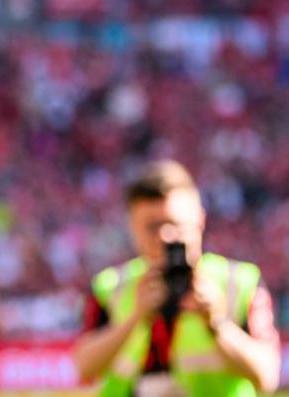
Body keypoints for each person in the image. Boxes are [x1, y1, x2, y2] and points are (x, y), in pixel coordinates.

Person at [73, 160, 280, 396]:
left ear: (200, 220)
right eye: (153, 227)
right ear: (132, 227)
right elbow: (83, 367)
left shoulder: (238, 283)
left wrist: (217, 324)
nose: (165, 236)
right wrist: (136, 318)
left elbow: (267, 376)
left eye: (175, 224)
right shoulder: (110, 287)